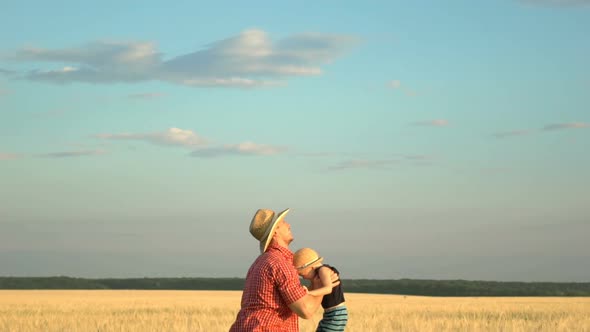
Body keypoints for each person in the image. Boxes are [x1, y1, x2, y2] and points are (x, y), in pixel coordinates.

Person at [229, 208, 340, 332]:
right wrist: (319, 284)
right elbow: (306, 310)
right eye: (283, 222)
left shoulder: (260, 261)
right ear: (275, 231)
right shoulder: (280, 263)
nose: (288, 224)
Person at [293, 248, 348, 332]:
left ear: (310, 268)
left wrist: (309, 293)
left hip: (336, 313)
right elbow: (313, 288)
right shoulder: (317, 275)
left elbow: (328, 289)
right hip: (330, 313)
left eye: (301, 273)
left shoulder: (323, 270)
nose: (302, 277)